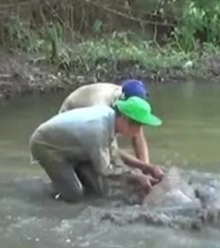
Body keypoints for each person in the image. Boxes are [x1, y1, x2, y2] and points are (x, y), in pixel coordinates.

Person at [29, 96, 162, 203]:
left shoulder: (111, 118)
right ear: (123, 118)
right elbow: (105, 169)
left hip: (72, 144)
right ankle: (51, 194)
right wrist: (136, 177)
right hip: (46, 146)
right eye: (136, 124)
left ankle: (65, 177)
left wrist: (147, 167)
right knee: (75, 194)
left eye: (141, 125)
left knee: (95, 188)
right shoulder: (98, 130)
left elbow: (114, 154)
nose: (138, 131)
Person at [58, 80, 165, 181]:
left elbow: (138, 136)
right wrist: (134, 173)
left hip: (91, 119)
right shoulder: (100, 107)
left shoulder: (128, 96)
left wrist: (146, 169)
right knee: (100, 169)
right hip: (70, 122)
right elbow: (110, 149)